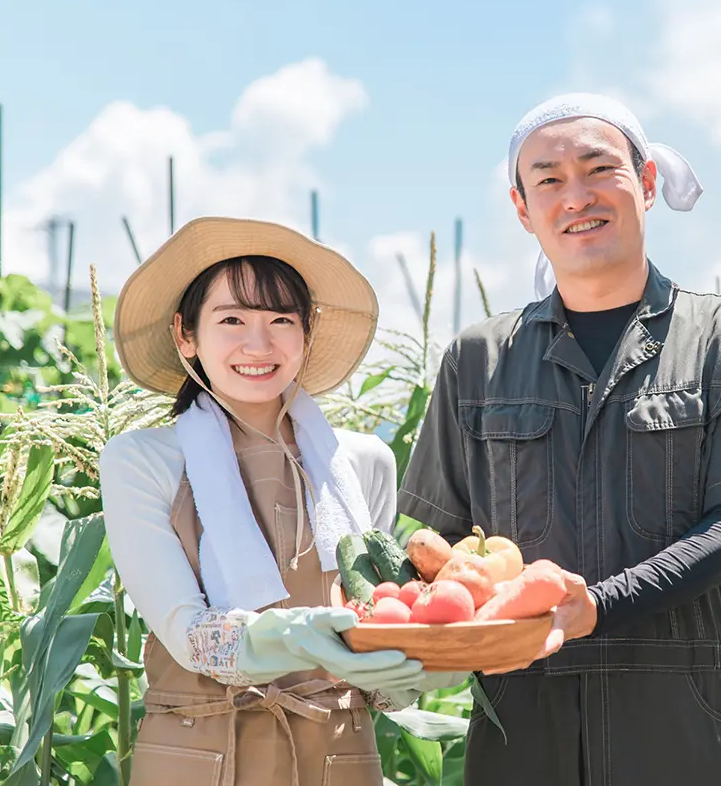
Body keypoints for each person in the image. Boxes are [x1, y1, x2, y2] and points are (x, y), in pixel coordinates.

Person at [398, 93, 721, 786]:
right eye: (549, 180)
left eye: (600, 169)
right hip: (516, 728)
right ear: (522, 208)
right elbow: (437, 550)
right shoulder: (476, 361)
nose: (577, 196)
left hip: (676, 726)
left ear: (647, 183)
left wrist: (596, 607)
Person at [101, 216, 459, 786]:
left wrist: (414, 665)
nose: (259, 344)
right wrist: (296, 636)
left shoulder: (364, 462)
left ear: (306, 332)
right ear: (185, 334)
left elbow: (375, 616)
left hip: (340, 754)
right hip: (198, 755)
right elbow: (188, 636)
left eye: (281, 320)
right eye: (232, 319)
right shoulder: (141, 460)